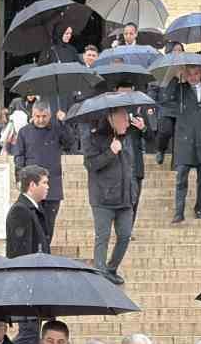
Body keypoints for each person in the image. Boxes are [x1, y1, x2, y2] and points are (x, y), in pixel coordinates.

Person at [83, 106, 139, 284]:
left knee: (125, 235)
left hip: (125, 197)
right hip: (103, 197)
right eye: (123, 120)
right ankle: (100, 272)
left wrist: (133, 189)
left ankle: (111, 268)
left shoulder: (127, 138)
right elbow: (91, 165)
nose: (127, 123)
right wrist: (110, 152)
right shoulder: (94, 138)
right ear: (111, 120)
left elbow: (130, 166)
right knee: (103, 236)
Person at [11, 103, 74, 248]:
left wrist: (64, 123)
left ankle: (45, 253)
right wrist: (22, 177)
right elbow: (18, 157)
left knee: (48, 227)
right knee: (31, 224)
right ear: (32, 115)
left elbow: (70, 143)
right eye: (37, 116)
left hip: (52, 187)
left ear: (49, 115)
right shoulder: (24, 132)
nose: (40, 120)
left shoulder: (57, 129)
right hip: (31, 187)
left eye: (44, 116)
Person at [169, 65, 201, 224]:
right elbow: (166, 100)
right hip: (185, 139)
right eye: (189, 74)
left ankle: (200, 208)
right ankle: (179, 211)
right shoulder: (179, 89)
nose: (193, 77)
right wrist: (177, 78)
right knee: (181, 175)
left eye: (196, 73)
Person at [7, 165, 50, 259]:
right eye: (44, 183)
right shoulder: (20, 211)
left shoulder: (34, 208)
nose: (48, 187)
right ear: (32, 185)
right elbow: (21, 253)